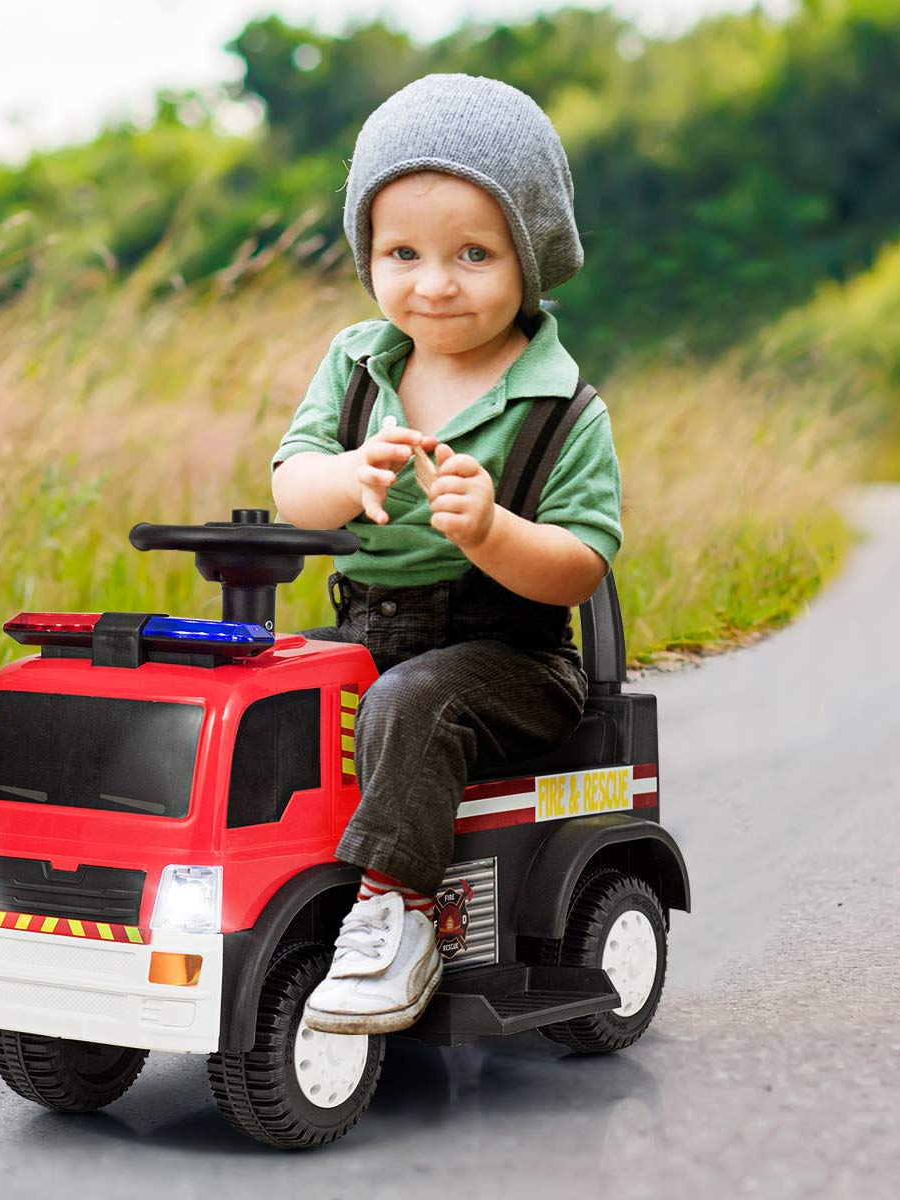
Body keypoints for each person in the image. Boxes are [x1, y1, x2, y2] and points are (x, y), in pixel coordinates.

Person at [270, 73, 623, 1035]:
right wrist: (344, 477)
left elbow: (581, 562)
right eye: (403, 253)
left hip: (509, 654)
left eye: (473, 252)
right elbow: (291, 485)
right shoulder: (357, 364)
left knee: (413, 700)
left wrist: (490, 530)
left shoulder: (558, 403)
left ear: (531, 255)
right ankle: (275, 882)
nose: (434, 283)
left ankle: (400, 912)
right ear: (369, 254)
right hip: (369, 624)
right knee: (266, 687)